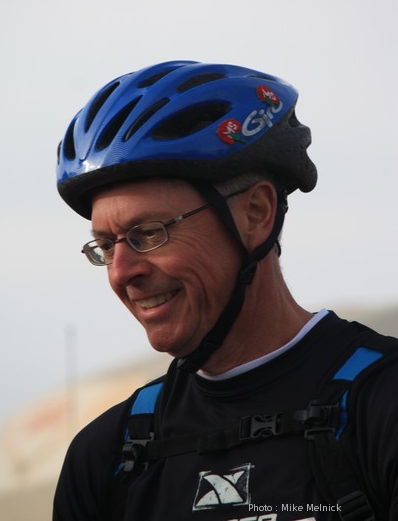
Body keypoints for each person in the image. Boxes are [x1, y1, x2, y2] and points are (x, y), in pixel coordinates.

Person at [53, 60, 398, 521]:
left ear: (256, 214)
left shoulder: (383, 405)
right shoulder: (104, 456)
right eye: (106, 245)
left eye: (149, 233)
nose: (121, 273)